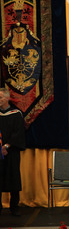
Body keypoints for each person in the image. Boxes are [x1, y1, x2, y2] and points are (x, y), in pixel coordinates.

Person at [0, 88, 26, 217]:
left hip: (12, 152)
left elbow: (18, 133)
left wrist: (6, 146)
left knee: (13, 179)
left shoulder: (16, 114)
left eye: (0, 98)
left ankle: (14, 207)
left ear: (7, 98)